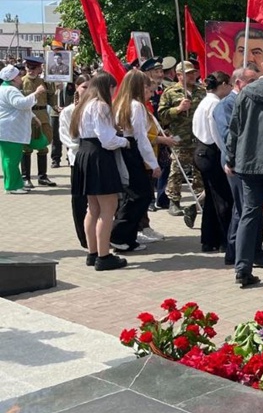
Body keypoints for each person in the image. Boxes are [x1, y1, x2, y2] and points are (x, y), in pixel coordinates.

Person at [226, 53, 263, 288]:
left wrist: (230, 158)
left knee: (249, 214)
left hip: (249, 162)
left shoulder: (246, 93)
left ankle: (242, 268)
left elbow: (234, 129)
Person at [71, 72, 129, 271]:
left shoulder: (84, 105)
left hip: (85, 154)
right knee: (107, 208)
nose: (114, 93)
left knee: (93, 208)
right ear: (108, 87)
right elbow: (107, 139)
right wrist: (124, 140)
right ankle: (104, 256)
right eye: (113, 89)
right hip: (99, 156)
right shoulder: (101, 106)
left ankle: (93, 252)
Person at [215, 65, 261, 267]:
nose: (255, 86)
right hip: (235, 164)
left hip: (246, 162)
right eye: (251, 82)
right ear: (239, 83)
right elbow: (229, 136)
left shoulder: (247, 101)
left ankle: (236, 251)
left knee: (241, 209)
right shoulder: (227, 104)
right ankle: (242, 254)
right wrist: (232, 160)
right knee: (245, 210)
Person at [110, 70, 160, 253]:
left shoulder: (120, 103)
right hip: (132, 149)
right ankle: (118, 234)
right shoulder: (136, 106)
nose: (149, 89)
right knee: (140, 195)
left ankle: (127, 238)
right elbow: (141, 137)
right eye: (146, 86)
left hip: (124, 148)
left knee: (135, 194)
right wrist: (153, 164)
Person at [192, 72, 235, 254]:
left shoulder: (204, 101)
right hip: (211, 151)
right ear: (223, 84)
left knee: (211, 198)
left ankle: (209, 239)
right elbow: (217, 132)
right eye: (229, 85)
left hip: (201, 150)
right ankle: (226, 240)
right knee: (223, 198)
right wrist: (227, 153)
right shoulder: (215, 103)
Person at [158, 61, 206, 217]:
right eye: (188, 73)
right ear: (179, 75)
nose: (192, 76)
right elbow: (162, 116)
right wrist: (178, 109)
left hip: (199, 137)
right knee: (177, 171)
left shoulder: (202, 91)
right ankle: (174, 201)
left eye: (193, 73)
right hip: (180, 138)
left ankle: (201, 199)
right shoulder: (171, 92)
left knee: (199, 170)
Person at [0, 63, 42, 194]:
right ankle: (12, 186)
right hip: (10, 131)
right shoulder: (10, 90)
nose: (21, 76)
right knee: (10, 160)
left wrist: (33, 116)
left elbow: (20, 106)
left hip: (9, 131)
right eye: (18, 75)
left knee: (11, 159)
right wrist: (36, 93)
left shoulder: (5, 88)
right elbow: (21, 104)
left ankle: (15, 184)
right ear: (13, 78)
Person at [59, 76, 90, 244]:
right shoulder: (68, 111)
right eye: (84, 87)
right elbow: (66, 137)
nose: (87, 90)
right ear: (77, 88)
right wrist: (84, 146)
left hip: (94, 160)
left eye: (90, 87)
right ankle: (83, 237)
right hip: (77, 158)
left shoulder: (96, 108)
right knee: (79, 199)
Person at [20, 56, 57, 187]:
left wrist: (56, 106)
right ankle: (26, 178)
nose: (31, 70)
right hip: (27, 117)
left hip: (43, 116)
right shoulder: (21, 82)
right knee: (26, 148)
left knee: (43, 146)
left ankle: (42, 177)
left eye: (34, 68)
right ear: (25, 67)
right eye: (29, 67)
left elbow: (51, 97)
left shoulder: (45, 82)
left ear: (40, 69)